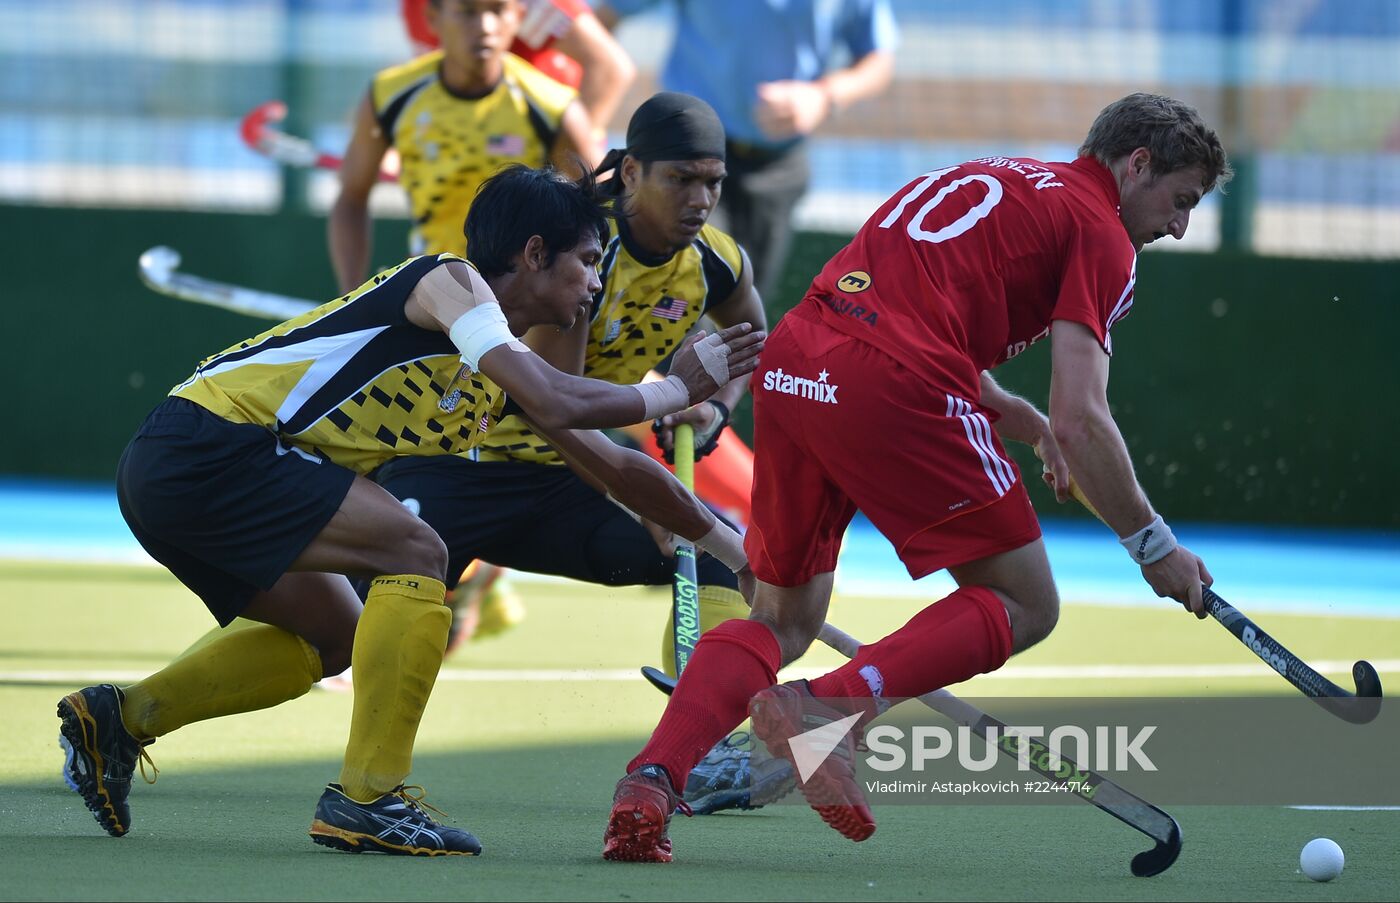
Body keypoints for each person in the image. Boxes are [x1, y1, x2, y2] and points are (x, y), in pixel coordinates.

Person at [55, 165, 765, 855]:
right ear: (534, 254)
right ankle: (369, 800)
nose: (595, 282)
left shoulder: (504, 370)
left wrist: (739, 557)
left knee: (335, 636)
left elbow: (617, 468)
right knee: (416, 550)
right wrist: (676, 390)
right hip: (212, 446)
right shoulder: (449, 283)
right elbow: (558, 397)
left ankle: (120, 719)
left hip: (185, 472)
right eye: (585, 261)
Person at [600, 92, 1231, 862]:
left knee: (783, 617)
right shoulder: (1103, 235)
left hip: (798, 362)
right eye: (1181, 200)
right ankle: (826, 708)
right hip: (896, 387)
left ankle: (650, 782)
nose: (1179, 226)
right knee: (1025, 601)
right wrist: (1152, 545)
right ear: (1136, 164)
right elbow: (1083, 419)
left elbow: (904, 303)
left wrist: (1010, 411)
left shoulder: (999, 174)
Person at [371, 92, 789, 814]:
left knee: (719, 552)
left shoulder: (717, 263)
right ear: (631, 173)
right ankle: (149, 713)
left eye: (712, 182)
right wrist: (646, 492)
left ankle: (703, 746)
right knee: (324, 627)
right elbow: (553, 409)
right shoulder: (584, 252)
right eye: (680, 179)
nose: (700, 200)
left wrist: (716, 406)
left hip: (563, 483)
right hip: (464, 460)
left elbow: (750, 340)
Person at [596, 0, 897, 303]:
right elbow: (601, 18)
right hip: (685, 159)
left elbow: (878, 59)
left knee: (741, 306)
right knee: (687, 295)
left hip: (778, 169)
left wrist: (822, 96)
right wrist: (590, 124)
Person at [330, 0, 597, 294]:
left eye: (497, 10)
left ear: (518, 17)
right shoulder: (389, 95)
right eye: (467, 11)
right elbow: (351, 198)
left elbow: (597, 210)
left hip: (521, 305)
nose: (485, 27)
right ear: (433, 18)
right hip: (431, 293)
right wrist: (350, 297)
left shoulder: (555, 107)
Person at [401, 0, 636, 149]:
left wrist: (564, 164)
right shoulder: (415, 6)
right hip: (475, 154)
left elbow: (609, 69)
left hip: (537, 160)